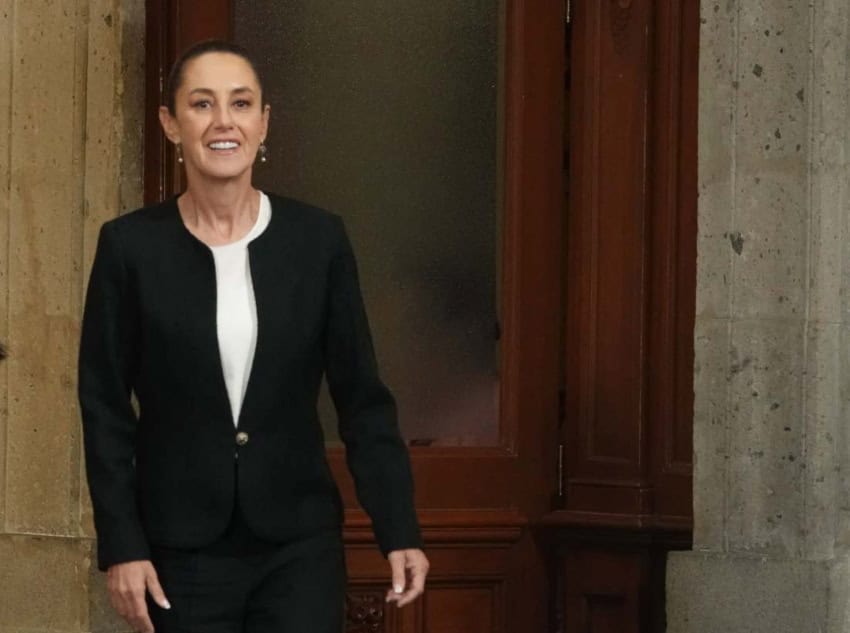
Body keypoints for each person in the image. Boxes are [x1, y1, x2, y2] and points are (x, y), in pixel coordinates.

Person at [78, 39, 429, 633]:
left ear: (263, 123)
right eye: (202, 104)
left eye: (241, 104)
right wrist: (122, 544)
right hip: (179, 552)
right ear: (170, 123)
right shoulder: (129, 248)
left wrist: (398, 529)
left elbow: (362, 398)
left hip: (298, 546)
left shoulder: (318, 242)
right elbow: (105, 408)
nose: (224, 122)